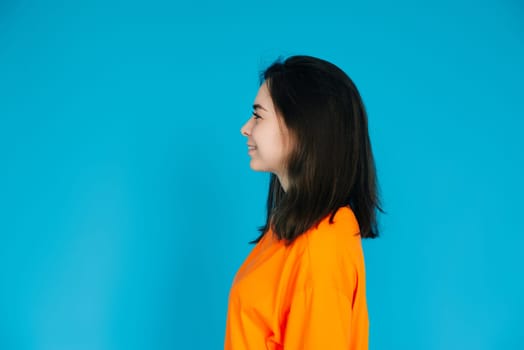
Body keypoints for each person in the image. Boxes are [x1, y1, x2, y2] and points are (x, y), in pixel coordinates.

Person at [224, 55, 382, 350]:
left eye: (258, 115)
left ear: (300, 128)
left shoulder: (319, 247)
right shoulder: (289, 230)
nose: (246, 128)